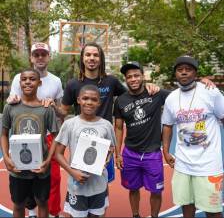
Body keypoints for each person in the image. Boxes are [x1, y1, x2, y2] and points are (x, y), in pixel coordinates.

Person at [59, 42, 159, 183]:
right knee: (80, 181)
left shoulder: (111, 81)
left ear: (101, 59)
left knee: (103, 182)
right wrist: (47, 105)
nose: (91, 58)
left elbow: (132, 95)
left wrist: (147, 85)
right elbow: (62, 111)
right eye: (88, 55)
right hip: (81, 141)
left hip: (105, 142)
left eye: (95, 55)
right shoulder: (73, 84)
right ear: (82, 58)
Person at [162, 55, 224, 218]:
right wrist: (166, 151)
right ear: (175, 73)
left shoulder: (211, 92)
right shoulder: (171, 98)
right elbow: (167, 125)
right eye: (180, 70)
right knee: (186, 205)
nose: (183, 73)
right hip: (183, 164)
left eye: (188, 70)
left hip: (208, 164)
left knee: (213, 210)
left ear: (195, 73)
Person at [7, 42, 63, 218]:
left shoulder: (56, 81)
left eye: (43, 54)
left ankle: (51, 212)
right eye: (36, 54)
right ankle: (31, 211)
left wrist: (53, 106)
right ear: (31, 57)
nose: (40, 57)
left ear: (48, 57)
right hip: (21, 137)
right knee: (21, 189)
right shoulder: (18, 78)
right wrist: (11, 99)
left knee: (49, 182)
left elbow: (62, 113)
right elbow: (15, 102)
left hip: (45, 137)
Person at [114, 61, 170, 218]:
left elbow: (181, 95)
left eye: (136, 75)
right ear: (125, 79)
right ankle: (136, 215)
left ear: (143, 76)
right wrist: (118, 153)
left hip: (152, 153)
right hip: (130, 153)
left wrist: (203, 83)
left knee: (156, 191)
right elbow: (118, 128)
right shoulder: (120, 101)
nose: (133, 79)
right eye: (129, 77)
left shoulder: (156, 93)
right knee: (133, 188)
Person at [54, 84, 116, 217]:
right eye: (85, 98)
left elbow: (110, 150)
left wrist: (105, 161)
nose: (89, 102)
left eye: (94, 99)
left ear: (99, 102)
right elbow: (57, 154)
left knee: (96, 215)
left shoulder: (106, 125)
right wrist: (72, 172)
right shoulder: (70, 124)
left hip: (99, 184)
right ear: (78, 100)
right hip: (77, 186)